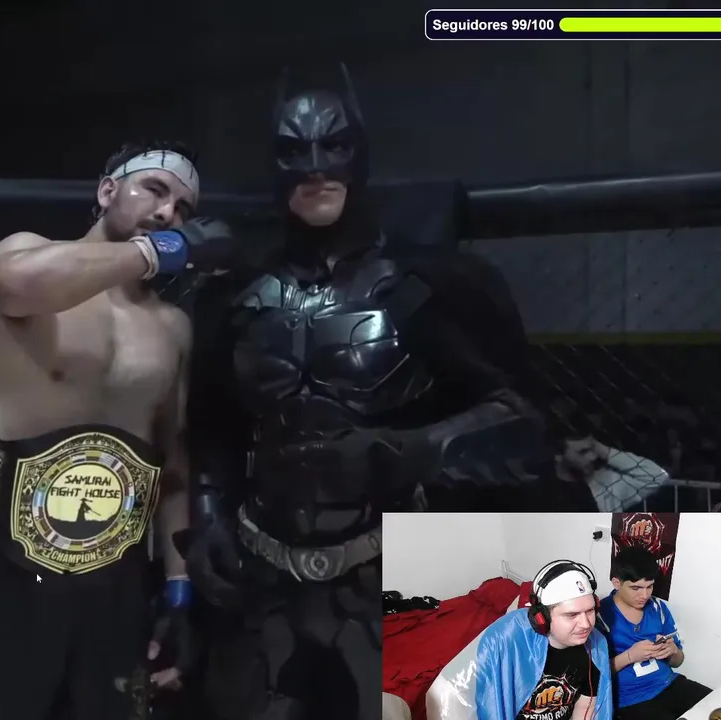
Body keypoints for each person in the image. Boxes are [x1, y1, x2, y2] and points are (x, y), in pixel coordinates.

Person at [185, 76, 549, 720]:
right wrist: (210, 513)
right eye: (294, 150)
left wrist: (406, 453)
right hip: (263, 573)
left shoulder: (424, 288)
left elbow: (523, 420)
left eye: (335, 146)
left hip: (386, 571)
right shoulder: (235, 298)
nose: (315, 167)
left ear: (361, 155)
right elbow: (214, 423)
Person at [0, 140, 241, 720]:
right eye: (154, 190)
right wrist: (160, 251)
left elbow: (173, 461)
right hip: (1, 560)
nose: (167, 212)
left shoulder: (171, 327)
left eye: (183, 208)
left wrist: (179, 586)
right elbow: (11, 286)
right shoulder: (26, 253)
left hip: (116, 573)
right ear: (107, 190)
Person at [476, 561, 613, 720]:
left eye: (590, 611)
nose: (586, 624)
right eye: (572, 615)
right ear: (542, 618)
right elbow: (493, 706)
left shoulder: (595, 647)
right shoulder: (507, 641)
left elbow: (585, 706)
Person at [600, 546, 712, 720]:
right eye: (636, 588)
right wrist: (629, 656)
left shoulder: (658, 608)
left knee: (718, 705)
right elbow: (592, 675)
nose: (644, 595)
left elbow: (678, 661)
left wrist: (673, 651)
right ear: (617, 583)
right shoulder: (599, 616)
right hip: (632, 700)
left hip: (669, 684)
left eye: (649, 586)